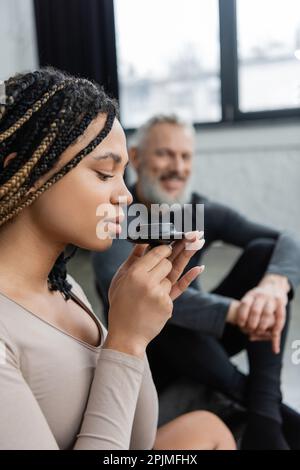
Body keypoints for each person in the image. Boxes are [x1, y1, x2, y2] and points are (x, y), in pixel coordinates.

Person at [0, 69, 236, 450]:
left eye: (122, 174)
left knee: (207, 429)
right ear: (24, 170)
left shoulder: (63, 288)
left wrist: (135, 336)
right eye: (104, 173)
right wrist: (125, 341)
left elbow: (137, 440)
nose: (125, 196)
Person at [92, 114, 300, 450]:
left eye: (185, 156)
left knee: (265, 254)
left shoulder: (196, 211)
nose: (177, 166)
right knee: (161, 309)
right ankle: (266, 411)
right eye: (165, 154)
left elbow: (288, 240)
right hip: (151, 354)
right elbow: (133, 299)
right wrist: (233, 310)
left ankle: (263, 411)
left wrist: (273, 285)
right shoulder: (119, 213)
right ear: (138, 156)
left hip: (203, 342)